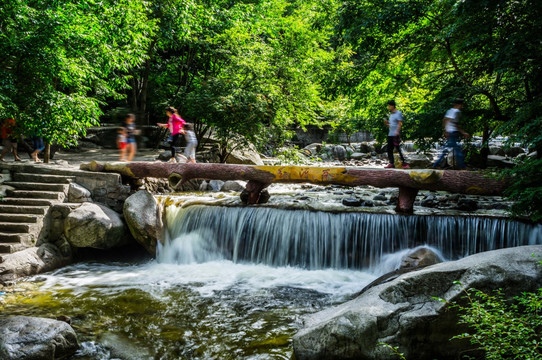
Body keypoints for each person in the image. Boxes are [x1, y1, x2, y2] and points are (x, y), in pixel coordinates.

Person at [432, 99, 470, 169]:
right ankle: (463, 166)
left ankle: (436, 164)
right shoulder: (457, 112)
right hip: (453, 132)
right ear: (459, 105)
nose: (462, 107)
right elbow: (455, 124)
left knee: (446, 150)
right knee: (457, 150)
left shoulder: (450, 111)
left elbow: (445, 120)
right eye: (462, 105)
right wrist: (463, 132)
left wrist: (445, 130)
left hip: (450, 132)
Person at [384, 100, 409, 169]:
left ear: (393, 106)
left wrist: (397, 131)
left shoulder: (398, 113)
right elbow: (391, 125)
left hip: (395, 134)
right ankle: (391, 163)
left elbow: (400, 123)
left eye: (389, 106)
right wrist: (387, 124)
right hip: (390, 134)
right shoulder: (391, 115)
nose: (388, 107)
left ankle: (405, 163)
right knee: (389, 149)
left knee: (398, 149)